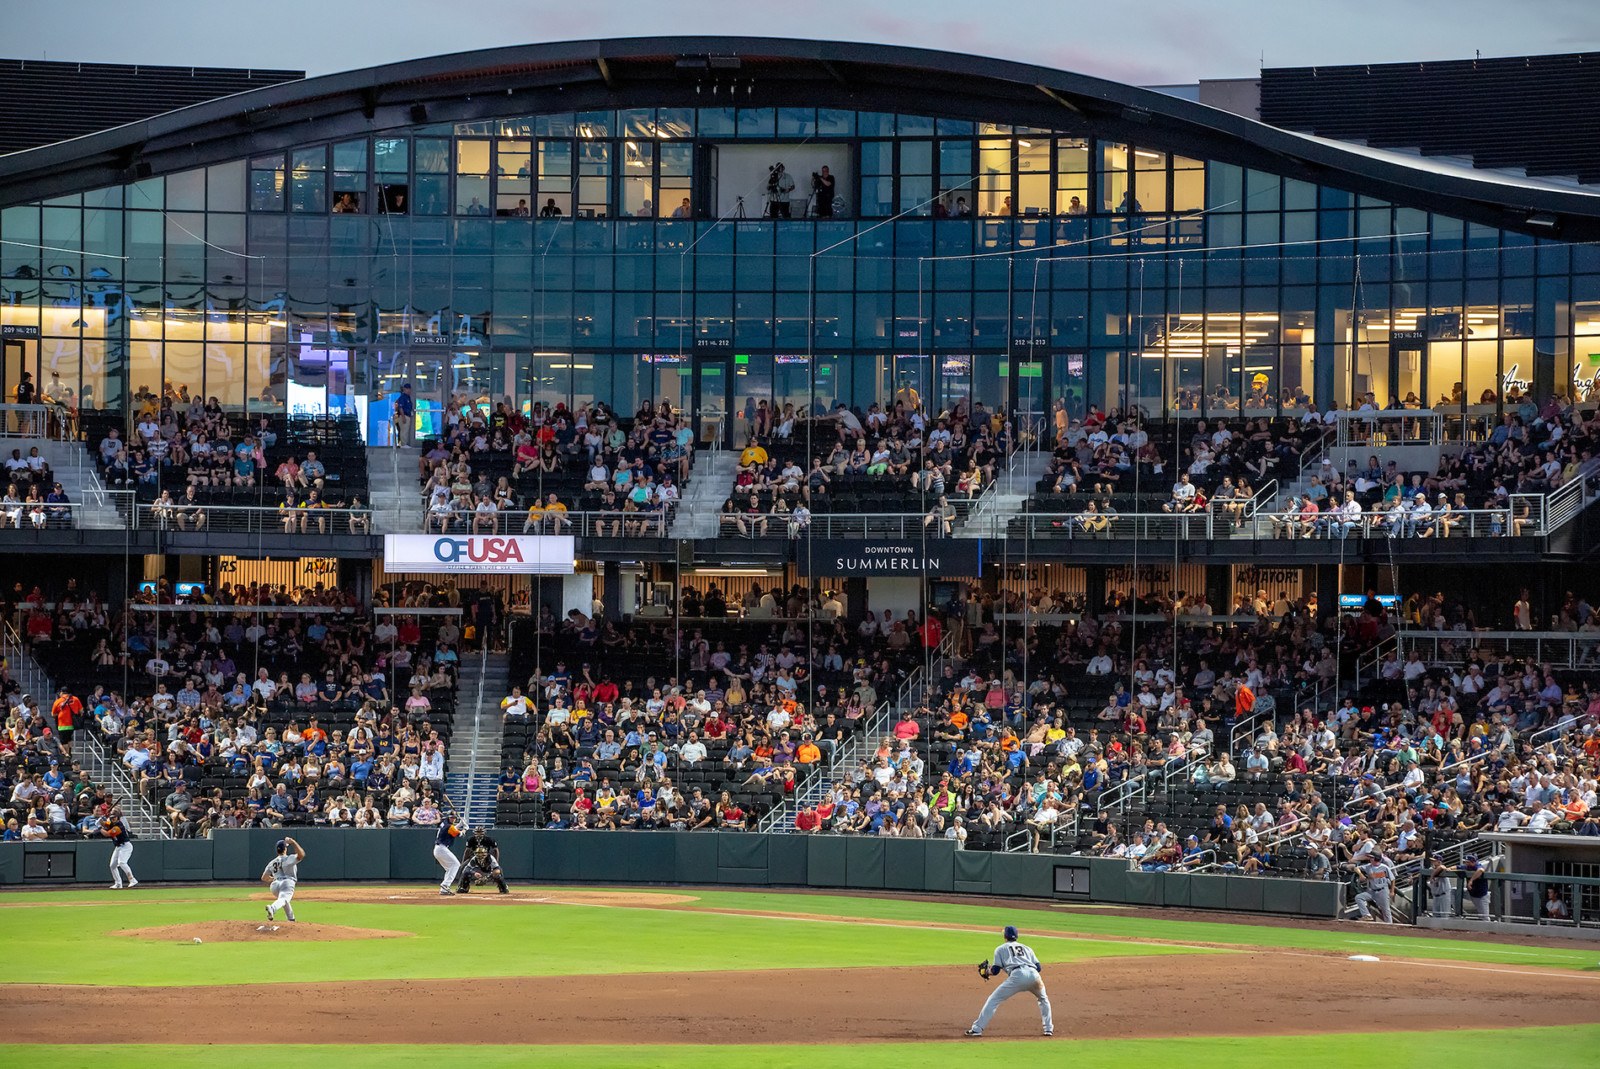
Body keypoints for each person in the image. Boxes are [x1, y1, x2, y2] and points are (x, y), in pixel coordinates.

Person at [966, 925, 1052, 1037]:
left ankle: (977, 1029)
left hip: (1017, 976)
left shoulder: (1000, 949)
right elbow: (1039, 967)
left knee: (993, 1000)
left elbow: (995, 970)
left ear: (1004, 936)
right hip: (1034, 975)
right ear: (1016, 936)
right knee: (1043, 999)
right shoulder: (1027, 948)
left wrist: (986, 972)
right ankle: (1048, 1029)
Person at [262, 836, 305, 922]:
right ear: (285, 849)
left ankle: (291, 919)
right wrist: (293, 842)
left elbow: (264, 878)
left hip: (274, 886)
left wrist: (273, 879)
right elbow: (301, 855)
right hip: (287, 882)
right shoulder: (289, 858)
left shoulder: (272, 862)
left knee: (283, 899)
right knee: (284, 899)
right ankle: (273, 908)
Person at [455, 827, 510, 894]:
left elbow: (496, 851)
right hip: (474, 858)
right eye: (477, 832)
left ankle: (503, 886)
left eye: (480, 832)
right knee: (463, 868)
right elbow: (467, 851)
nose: (479, 834)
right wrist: (473, 872)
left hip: (487, 861)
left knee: (499, 871)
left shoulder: (490, 855)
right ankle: (462, 886)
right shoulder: (472, 846)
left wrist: (486, 878)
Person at [102, 807, 137, 889]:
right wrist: (100, 819)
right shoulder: (110, 822)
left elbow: (107, 834)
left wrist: (99, 828)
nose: (113, 819)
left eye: (114, 817)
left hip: (126, 846)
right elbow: (104, 824)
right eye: (112, 818)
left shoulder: (119, 826)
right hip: (118, 847)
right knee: (112, 865)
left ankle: (132, 880)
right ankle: (118, 883)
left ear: (117, 817)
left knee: (122, 862)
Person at [1353, 858, 1395, 923]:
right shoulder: (1368, 866)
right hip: (1372, 891)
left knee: (1386, 911)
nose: (1370, 859)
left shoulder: (1384, 867)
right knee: (1359, 897)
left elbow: (1392, 879)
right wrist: (1361, 875)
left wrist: (1392, 891)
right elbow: (1356, 868)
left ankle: (1390, 927)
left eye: (1372, 858)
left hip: (1382, 891)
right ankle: (1367, 915)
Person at [433, 815, 465, 894]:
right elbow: (459, 834)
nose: (453, 819)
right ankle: (445, 884)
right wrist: (465, 829)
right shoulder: (448, 826)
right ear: (448, 817)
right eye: (451, 817)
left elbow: (452, 829)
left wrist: (460, 824)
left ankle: (444, 889)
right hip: (441, 849)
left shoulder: (445, 823)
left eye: (454, 818)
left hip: (439, 849)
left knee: (450, 868)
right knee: (456, 864)